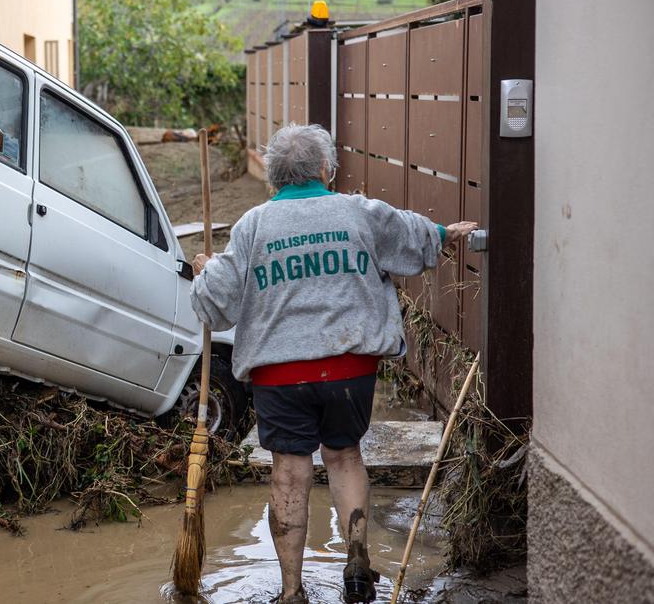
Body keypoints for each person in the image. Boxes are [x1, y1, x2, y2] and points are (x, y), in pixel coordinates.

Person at [189, 123, 477, 604]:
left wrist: (203, 273)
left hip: (279, 375)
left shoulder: (253, 226)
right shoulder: (359, 212)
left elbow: (215, 304)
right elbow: (414, 236)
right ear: (325, 169)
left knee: (289, 472)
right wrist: (448, 232)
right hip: (350, 369)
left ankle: (290, 591)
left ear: (275, 176)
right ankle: (358, 561)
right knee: (344, 456)